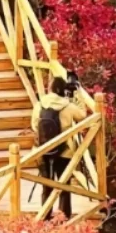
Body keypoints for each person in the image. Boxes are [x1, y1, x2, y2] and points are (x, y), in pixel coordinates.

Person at [30, 65, 88, 219]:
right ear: (63, 90)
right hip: (64, 150)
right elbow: (82, 116)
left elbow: (34, 125)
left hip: (42, 150)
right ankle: (64, 217)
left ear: (49, 89)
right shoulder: (68, 106)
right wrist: (78, 94)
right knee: (63, 185)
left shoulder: (40, 104)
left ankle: (45, 216)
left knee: (46, 184)